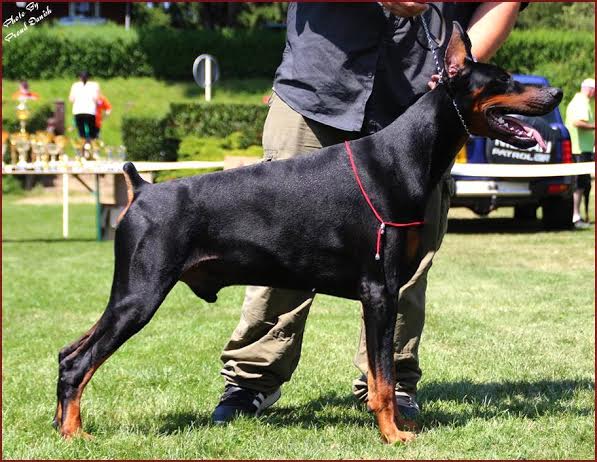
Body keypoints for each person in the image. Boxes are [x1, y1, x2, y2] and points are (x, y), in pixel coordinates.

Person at [212, 2, 524, 424]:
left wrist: (459, 73)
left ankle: (392, 384)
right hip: (317, 89)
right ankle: (251, 380)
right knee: (280, 244)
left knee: (405, 263)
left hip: (418, 103)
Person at [565, 78, 595, 229]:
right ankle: (575, 217)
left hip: (583, 149)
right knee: (579, 185)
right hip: (579, 150)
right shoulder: (581, 102)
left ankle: (578, 216)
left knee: (583, 185)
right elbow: (577, 122)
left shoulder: (581, 101)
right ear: (591, 90)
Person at [69, 71, 100, 141]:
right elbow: (97, 99)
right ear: (89, 77)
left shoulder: (75, 85)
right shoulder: (95, 85)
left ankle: (83, 145)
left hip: (78, 111)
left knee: (81, 132)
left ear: (79, 78)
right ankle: (91, 144)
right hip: (90, 111)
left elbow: (71, 99)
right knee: (92, 132)